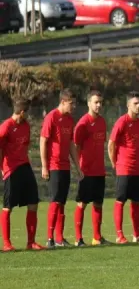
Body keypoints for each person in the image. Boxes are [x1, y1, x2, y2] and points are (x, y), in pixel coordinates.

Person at [0, 99, 45, 251]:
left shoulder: (26, 126)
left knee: (33, 203)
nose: (29, 116)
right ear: (22, 112)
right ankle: (7, 244)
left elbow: (24, 147)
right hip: (11, 170)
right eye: (28, 112)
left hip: (25, 166)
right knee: (8, 207)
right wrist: (2, 168)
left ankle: (30, 242)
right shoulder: (6, 126)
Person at [40, 88, 83, 248]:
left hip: (65, 166)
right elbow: (43, 141)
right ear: (63, 102)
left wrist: (77, 166)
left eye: (75, 104)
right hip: (54, 165)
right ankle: (49, 238)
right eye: (71, 104)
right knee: (55, 201)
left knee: (62, 202)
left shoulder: (69, 120)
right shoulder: (52, 117)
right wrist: (44, 165)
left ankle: (59, 238)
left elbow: (71, 144)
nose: (74, 107)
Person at [108, 91, 139, 244]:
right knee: (120, 200)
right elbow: (111, 144)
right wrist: (114, 163)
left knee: (136, 201)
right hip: (124, 168)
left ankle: (137, 234)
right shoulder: (122, 122)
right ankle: (119, 235)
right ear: (128, 105)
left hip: (137, 169)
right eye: (135, 103)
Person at [73, 90, 108, 247]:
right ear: (89, 103)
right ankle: (78, 239)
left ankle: (96, 237)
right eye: (96, 102)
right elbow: (76, 147)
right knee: (82, 203)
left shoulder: (102, 122)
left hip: (99, 170)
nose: (99, 105)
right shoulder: (83, 124)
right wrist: (79, 168)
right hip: (86, 171)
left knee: (98, 204)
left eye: (100, 102)